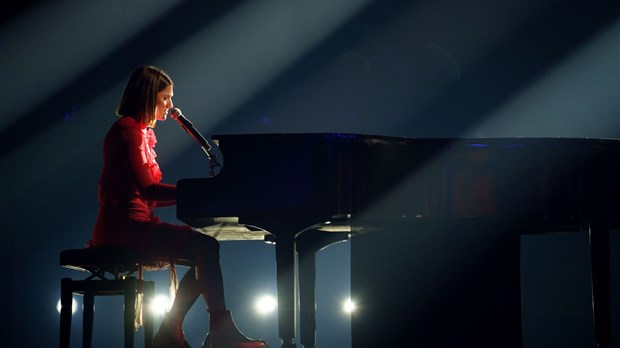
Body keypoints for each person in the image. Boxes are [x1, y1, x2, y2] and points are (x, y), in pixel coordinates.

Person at [91, 65, 268, 348]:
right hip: (123, 227)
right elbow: (148, 189)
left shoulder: (137, 132)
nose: (171, 106)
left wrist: (199, 192)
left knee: (205, 252)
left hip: (134, 223)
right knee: (206, 248)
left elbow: (149, 195)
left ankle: (171, 331)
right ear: (148, 96)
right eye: (165, 98)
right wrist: (200, 190)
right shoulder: (127, 131)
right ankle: (209, 329)